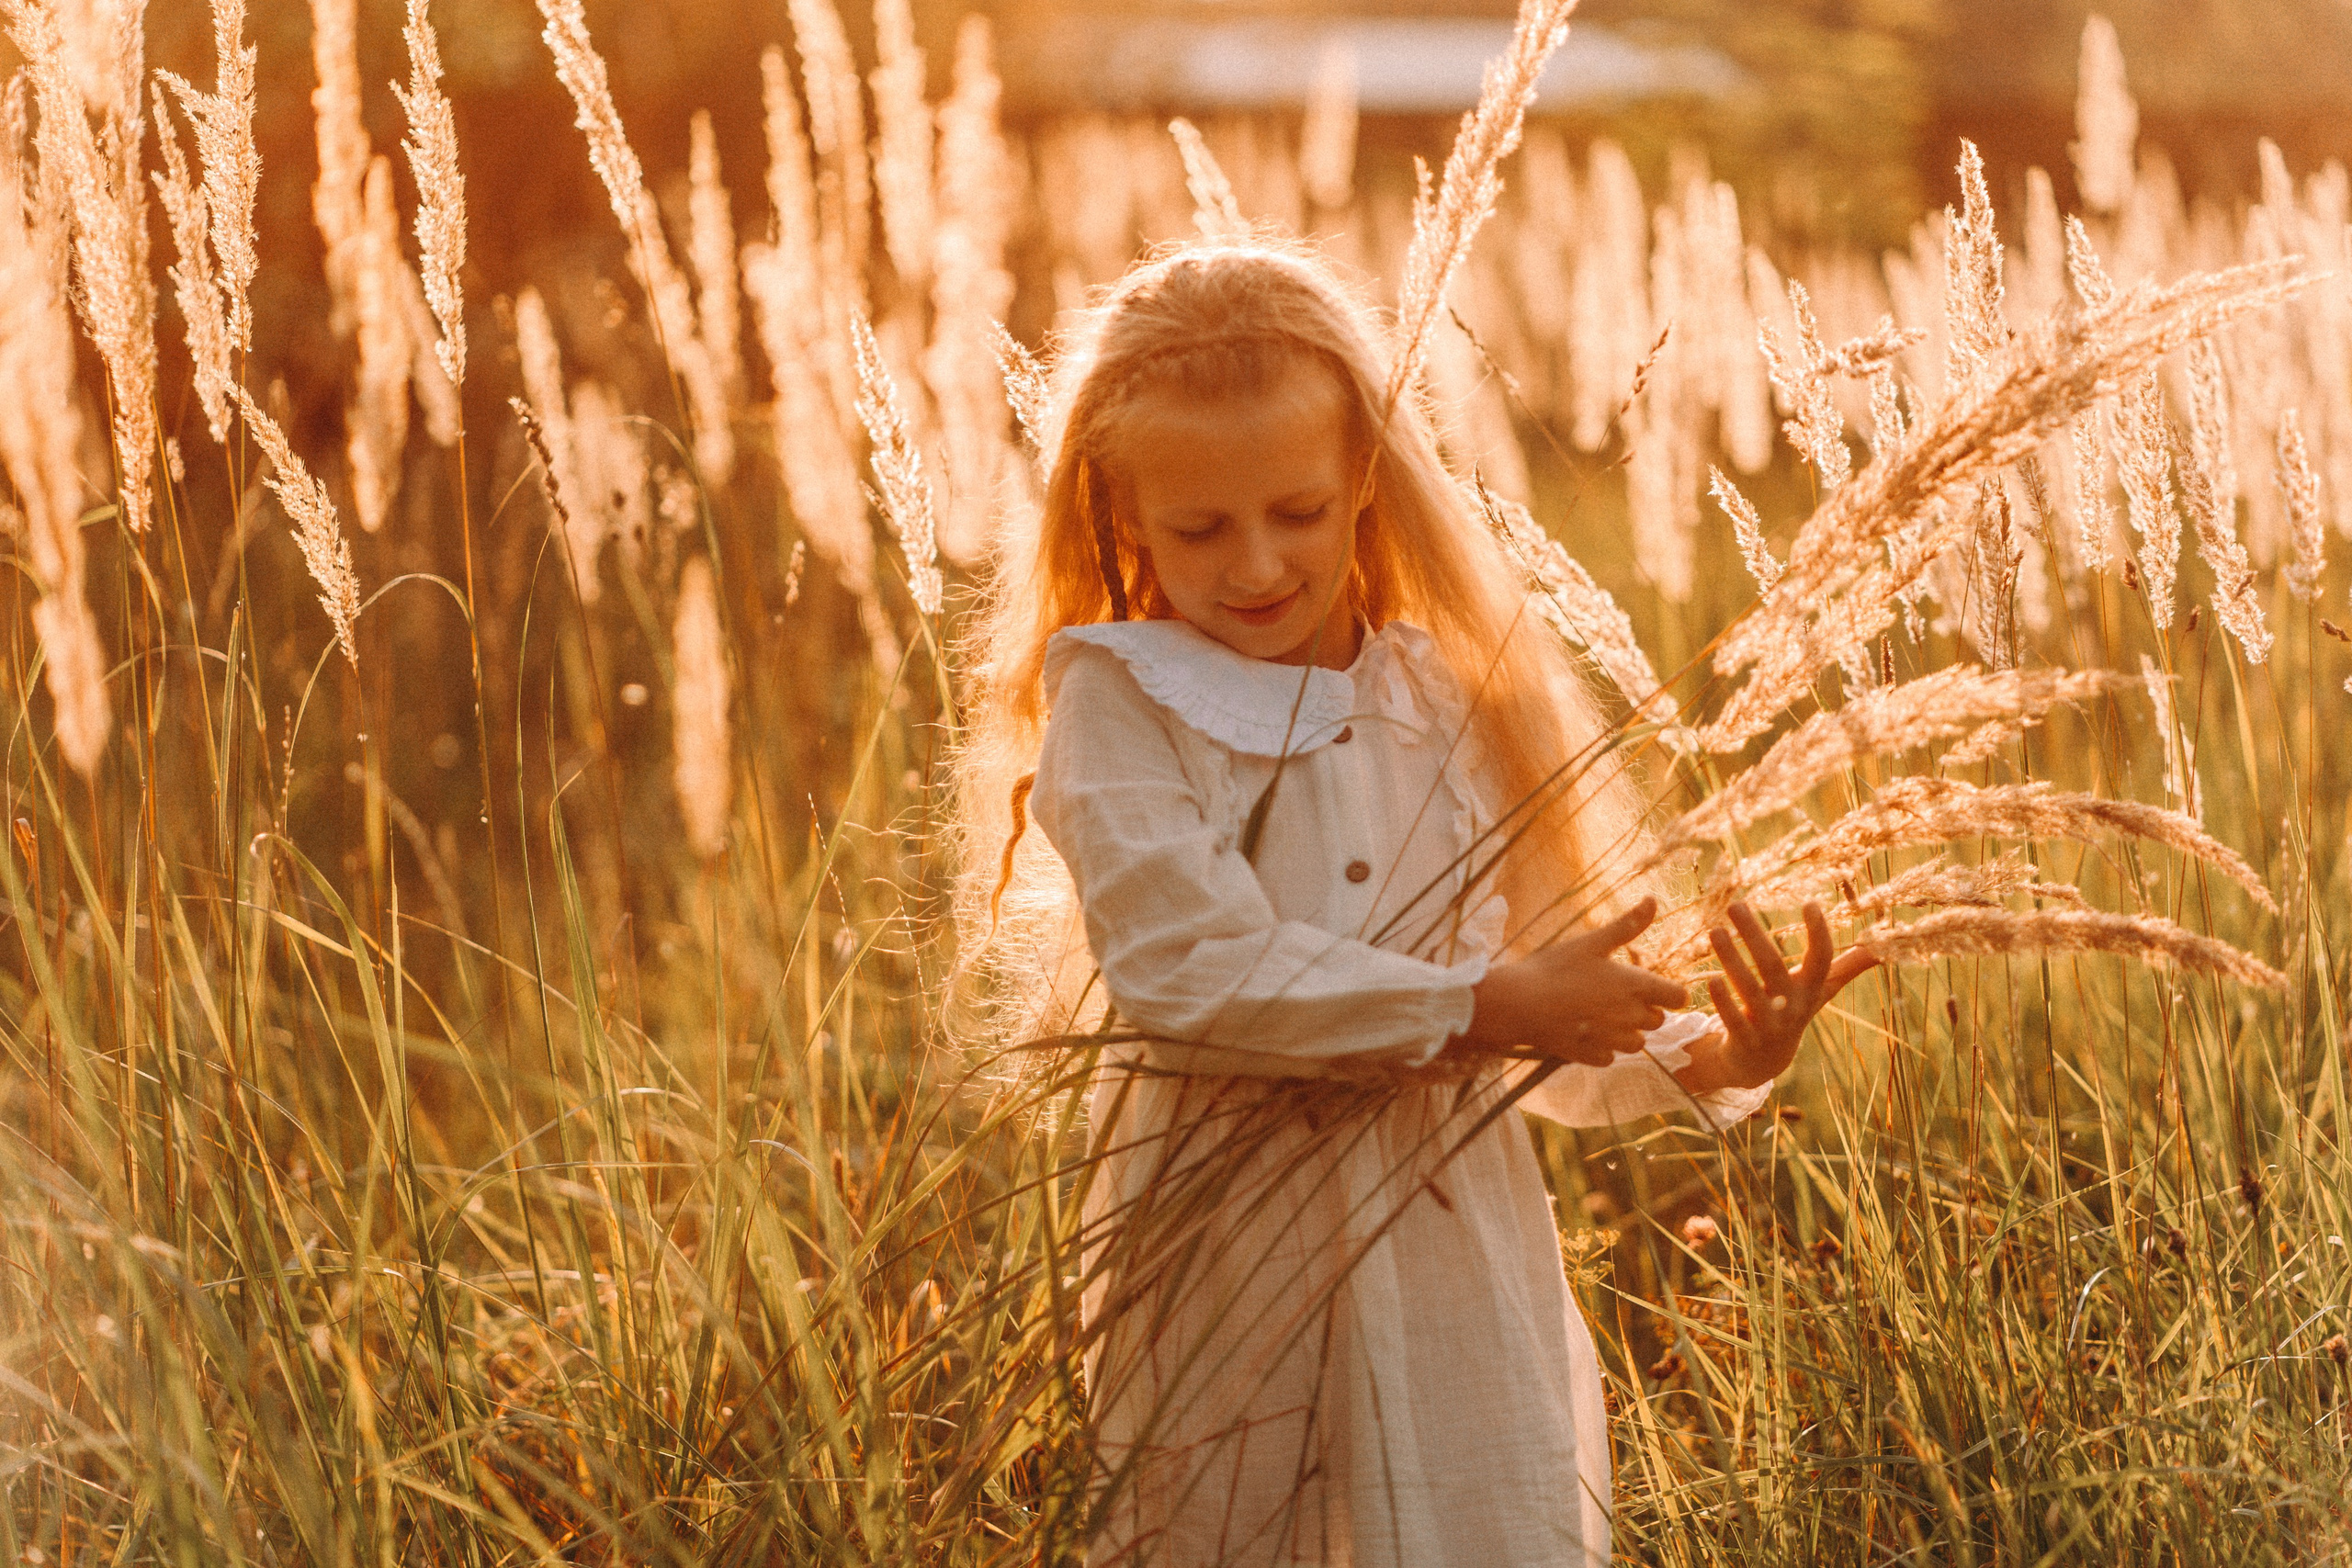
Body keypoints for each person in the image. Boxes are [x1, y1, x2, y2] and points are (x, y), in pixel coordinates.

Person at [953, 240, 1876, 1568]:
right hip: (1227, 1249)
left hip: (1454, 1240)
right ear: (1124, 515)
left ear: (1366, 486)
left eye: (1299, 511)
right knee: (1236, 1533)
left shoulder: (1448, 695)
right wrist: (1488, 1005)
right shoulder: (1120, 699)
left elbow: (1559, 1004)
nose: (1256, 563)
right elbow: (1189, 972)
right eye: (1200, 527)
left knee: (1474, 1529)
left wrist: (1722, 1056)